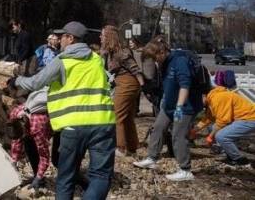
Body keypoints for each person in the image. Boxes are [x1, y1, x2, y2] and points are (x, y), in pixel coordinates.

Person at [10, 21, 115, 200]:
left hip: (74, 127)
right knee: (101, 176)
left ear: (71, 38)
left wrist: (16, 81)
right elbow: (111, 82)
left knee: (66, 177)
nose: (59, 40)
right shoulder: (97, 60)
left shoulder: (63, 61)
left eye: (62, 37)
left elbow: (35, 82)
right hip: (104, 124)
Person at [133, 36, 203, 181]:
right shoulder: (164, 63)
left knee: (178, 135)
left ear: (162, 52)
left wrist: (179, 107)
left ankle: (185, 170)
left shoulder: (180, 61)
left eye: (155, 58)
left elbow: (185, 85)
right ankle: (152, 158)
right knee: (158, 128)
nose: (155, 62)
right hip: (169, 105)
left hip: (184, 107)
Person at [100, 25, 144, 157]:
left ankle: (121, 147)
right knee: (127, 117)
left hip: (127, 83)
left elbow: (134, 67)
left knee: (117, 115)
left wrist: (141, 83)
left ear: (109, 37)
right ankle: (131, 147)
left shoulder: (121, 52)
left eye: (102, 35)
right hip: (124, 83)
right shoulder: (112, 52)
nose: (100, 37)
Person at [196, 73, 255, 166]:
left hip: (249, 119)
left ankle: (239, 160)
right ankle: (230, 155)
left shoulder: (217, 98)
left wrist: (210, 137)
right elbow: (208, 118)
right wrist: (194, 130)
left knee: (221, 136)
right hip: (243, 119)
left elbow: (222, 121)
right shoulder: (212, 98)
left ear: (203, 95)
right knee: (219, 131)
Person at [7, 87, 51, 189]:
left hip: (56, 124)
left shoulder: (37, 128)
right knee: (29, 146)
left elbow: (44, 155)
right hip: (31, 127)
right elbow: (16, 139)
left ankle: (40, 179)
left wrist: (39, 177)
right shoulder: (15, 114)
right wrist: (14, 161)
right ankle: (38, 175)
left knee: (55, 157)